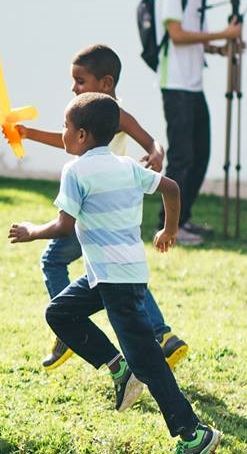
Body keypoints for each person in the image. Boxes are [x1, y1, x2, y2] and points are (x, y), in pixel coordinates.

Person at [9, 93, 220, 454]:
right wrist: (169, 229)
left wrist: (29, 230)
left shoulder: (75, 171)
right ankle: (118, 368)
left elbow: (63, 226)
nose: (63, 134)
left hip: (116, 282)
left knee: (150, 362)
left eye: (65, 128)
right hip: (113, 275)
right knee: (60, 312)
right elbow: (171, 187)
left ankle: (194, 434)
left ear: (82, 136)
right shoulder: (125, 165)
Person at [14, 45, 188, 371]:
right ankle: (163, 336)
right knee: (120, 273)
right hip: (103, 208)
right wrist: (29, 133)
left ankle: (69, 328)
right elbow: (67, 141)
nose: (74, 88)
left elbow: (151, 142)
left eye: (80, 81)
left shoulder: (113, 113)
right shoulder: (89, 120)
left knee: (56, 261)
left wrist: (156, 155)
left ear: (105, 83)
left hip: (93, 209)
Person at [155, 0, 242, 245]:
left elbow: (198, 39)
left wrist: (223, 46)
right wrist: (225, 31)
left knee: (201, 155)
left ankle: (184, 219)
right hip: (175, 84)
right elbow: (177, 35)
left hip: (194, 85)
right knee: (182, 157)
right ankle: (166, 225)